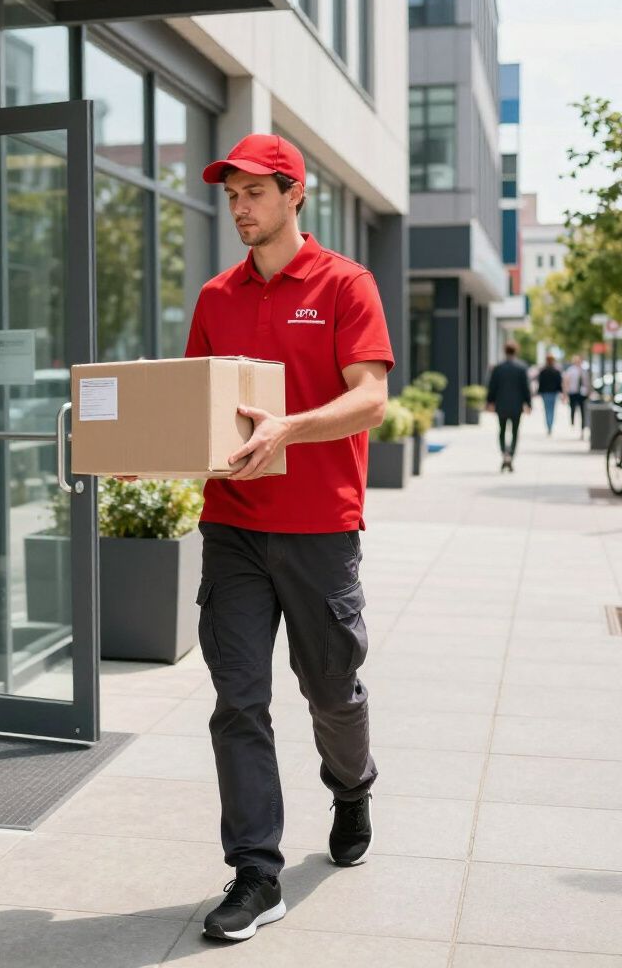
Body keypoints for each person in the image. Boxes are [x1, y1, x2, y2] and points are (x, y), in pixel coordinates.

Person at [182, 133, 393, 942]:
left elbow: (370, 398)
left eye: (254, 194)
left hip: (319, 528)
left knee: (331, 689)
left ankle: (351, 786)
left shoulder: (345, 284)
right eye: (231, 195)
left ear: (294, 194)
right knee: (238, 701)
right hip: (232, 525)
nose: (240, 208)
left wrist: (290, 429)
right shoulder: (217, 296)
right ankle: (255, 872)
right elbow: (198, 406)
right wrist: (151, 456)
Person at [486, 341, 532, 471]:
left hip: (501, 405)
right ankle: (510, 454)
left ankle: (504, 453)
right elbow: (526, 388)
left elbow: (492, 387)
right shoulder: (521, 368)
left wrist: (490, 402)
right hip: (517, 406)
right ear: (516, 351)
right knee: (515, 432)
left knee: (501, 430)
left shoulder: (498, 368)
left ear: (505, 351)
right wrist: (528, 404)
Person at [563, 354, 591, 438]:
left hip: (583, 394)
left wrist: (589, 392)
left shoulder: (584, 370)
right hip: (573, 393)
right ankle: (572, 421)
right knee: (572, 408)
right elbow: (566, 381)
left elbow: (587, 382)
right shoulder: (570, 370)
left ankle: (582, 428)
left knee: (583, 412)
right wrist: (565, 393)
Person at [536, 353, 564, 435]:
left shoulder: (543, 371)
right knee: (552, 410)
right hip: (553, 393)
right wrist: (561, 392)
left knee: (546, 410)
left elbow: (540, 382)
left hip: (545, 393)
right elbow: (559, 383)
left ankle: (548, 426)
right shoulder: (556, 371)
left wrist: (539, 392)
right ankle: (550, 426)